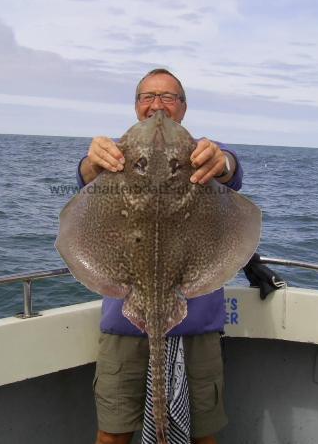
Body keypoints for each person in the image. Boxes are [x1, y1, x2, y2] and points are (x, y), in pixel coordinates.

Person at [76, 68, 244, 444]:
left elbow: (231, 172)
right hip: (125, 322)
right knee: (113, 433)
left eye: (168, 97)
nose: (158, 107)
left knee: (204, 435)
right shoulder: (114, 153)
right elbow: (85, 181)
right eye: (148, 97)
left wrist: (225, 162)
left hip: (196, 326)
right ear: (136, 106)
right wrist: (90, 163)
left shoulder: (200, 154)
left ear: (183, 107)